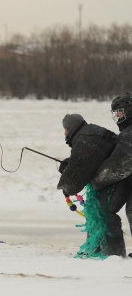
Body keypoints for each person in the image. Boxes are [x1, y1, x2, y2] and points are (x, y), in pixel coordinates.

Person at [57, 113, 127, 257]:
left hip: (119, 178)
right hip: (118, 178)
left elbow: (77, 174)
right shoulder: (89, 133)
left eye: (65, 129)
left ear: (71, 128)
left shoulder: (85, 140)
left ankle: (112, 255)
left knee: (103, 212)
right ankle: (98, 250)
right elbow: (92, 158)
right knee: (96, 210)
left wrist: (66, 187)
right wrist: (69, 163)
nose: (64, 133)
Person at [91, 92, 132, 257]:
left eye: (120, 112)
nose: (117, 117)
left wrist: (94, 179)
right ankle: (113, 253)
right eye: (115, 113)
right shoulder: (127, 133)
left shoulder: (129, 134)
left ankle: (113, 254)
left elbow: (117, 165)